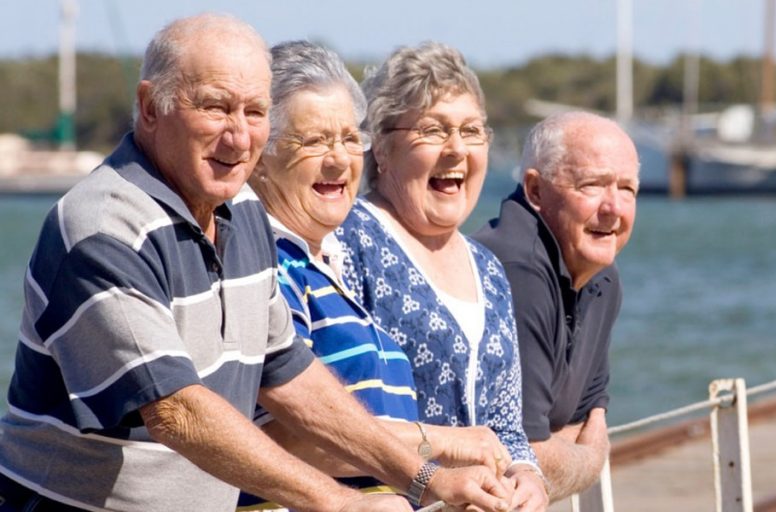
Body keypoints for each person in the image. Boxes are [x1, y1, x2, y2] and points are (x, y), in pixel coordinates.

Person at [0, 15, 510, 512]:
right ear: (150, 107)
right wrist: (337, 502)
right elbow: (175, 411)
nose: (239, 137)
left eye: (254, 112)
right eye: (216, 108)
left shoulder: (242, 212)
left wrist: (425, 478)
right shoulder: (103, 227)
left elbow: (288, 371)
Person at [239, 40, 514, 509]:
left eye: (349, 138)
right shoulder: (268, 264)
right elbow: (286, 442)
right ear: (261, 155)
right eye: (314, 140)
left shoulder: (327, 265)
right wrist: (443, 445)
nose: (338, 159)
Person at [335, 42, 548, 512]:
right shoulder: (349, 240)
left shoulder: (487, 267)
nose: (456, 149)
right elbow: (325, 420)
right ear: (383, 149)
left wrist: (526, 475)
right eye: (433, 130)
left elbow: (505, 424)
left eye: (472, 131)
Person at [472, 112, 640, 501]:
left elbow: (585, 418)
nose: (613, 208)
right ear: (535, 191)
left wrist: (566, 448)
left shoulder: (601, 276)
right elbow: (523, 460)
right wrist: (592, 459)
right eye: (592, 185)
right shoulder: (516, 269)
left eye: (627, 189)